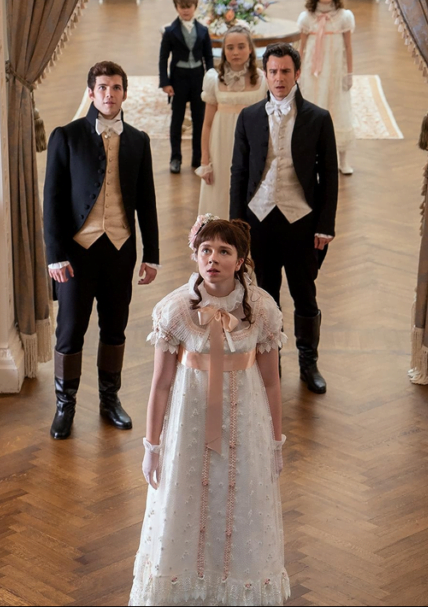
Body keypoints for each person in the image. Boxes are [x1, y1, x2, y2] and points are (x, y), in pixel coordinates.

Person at [130, 215, 289, 606]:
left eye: (223, 251)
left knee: (239, 505)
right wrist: (152, 446)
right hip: (190, 425)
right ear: (195, 255)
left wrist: (276, 441)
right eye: (205, 250)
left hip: (245, 424)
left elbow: (271, 382)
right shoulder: (175, 311)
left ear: (241, 260)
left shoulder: (262, 309)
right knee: (186, 505)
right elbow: (162, 384)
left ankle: (234, 589)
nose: (212, 258)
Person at [43, 61, 160, 440]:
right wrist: (55, 255)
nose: (109, 95)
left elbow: (147, 201)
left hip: (120, 249)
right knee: (70, 329)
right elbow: (53, 202)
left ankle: (110, 401)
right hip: (77, 253)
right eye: (102, 88)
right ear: (90, 93)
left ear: (125, 93)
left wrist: (151, 254)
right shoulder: (67, 136)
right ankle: (66, 406)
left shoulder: (139, 141)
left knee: (115, 327)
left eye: (116, 88)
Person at [230, 43, 338, 394]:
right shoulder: (248, 117)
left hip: (302, 220)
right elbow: (239, 172)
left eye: (285, 71)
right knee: (264, 295)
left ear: (297, 74)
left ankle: (310, 364)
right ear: (265, 73)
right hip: (258, 219)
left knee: (305, 294)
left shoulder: (318, 118)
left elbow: (330, 176)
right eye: (273, 71)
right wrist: (235, 230)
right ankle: (269, 364)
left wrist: (325, 225)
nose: (278, 78)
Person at [196, 25, 266, 218]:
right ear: (223, 50)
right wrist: (205, 161)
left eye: (241, 46)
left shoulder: (263, 80)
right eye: (230, 47)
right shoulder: (213, 80)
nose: (235, 52)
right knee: (220, 194)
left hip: (251, 146)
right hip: (221, 147)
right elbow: (207, 124)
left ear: (250, 49)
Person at [297, 0, 356, 176]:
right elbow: (302, 48)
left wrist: (349, 73)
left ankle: (343, 158)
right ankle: (314, 158)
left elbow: (348, 47)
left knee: (338, 109)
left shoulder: (344, 17)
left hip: (335, 70)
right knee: (315, 109)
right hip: (314, 73)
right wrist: (298, 73)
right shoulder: (307, 18)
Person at [159, 0, 215, 174]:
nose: (185, 11)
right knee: (177, 119)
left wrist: (211, 79)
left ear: (195, 7)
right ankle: (175, 157)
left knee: (200, 120)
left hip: (198, 79)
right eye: (181, 7)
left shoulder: (203, 30)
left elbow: (208, 57)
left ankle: (198, 157)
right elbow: (163, 58)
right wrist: (165, 82)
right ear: (176, 8)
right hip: (179, 79)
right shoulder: (170, 31)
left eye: (188, 7)